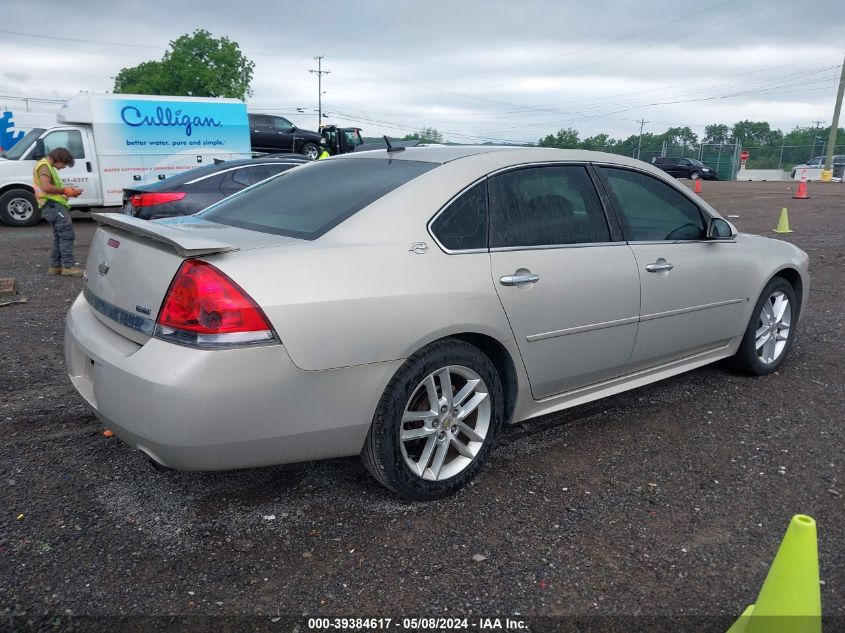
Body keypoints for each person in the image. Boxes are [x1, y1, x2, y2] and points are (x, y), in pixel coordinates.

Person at [33, 148, 83, 276]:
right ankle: (68, 267)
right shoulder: (44, 166)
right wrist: (65, 191)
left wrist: (67, 193)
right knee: (67, 234)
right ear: (58, 159)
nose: (63, 167)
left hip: (51, 206)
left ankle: (55, 266)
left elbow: (49, 189)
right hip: (53, 206)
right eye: (64, 164)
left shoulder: (46, 166)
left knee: (59, 237)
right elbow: (45, 187)